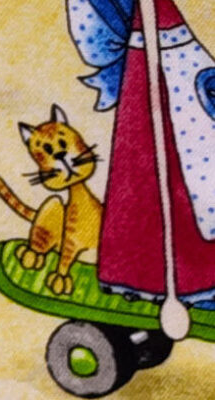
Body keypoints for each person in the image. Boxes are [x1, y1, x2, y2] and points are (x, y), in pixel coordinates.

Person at [69, 0, 215, 302]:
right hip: (151, 58)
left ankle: (198, 278)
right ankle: (149, 281)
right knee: (146, 171)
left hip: (182, 58)